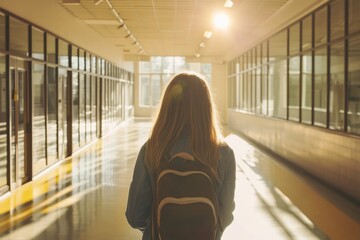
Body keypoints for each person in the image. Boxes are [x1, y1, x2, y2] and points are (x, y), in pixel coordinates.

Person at [126, 71, 236, 240]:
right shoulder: (223, 153)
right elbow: (225, 215)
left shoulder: (151, 150)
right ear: (206, 107)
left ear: (167, 107)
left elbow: (135, 216)